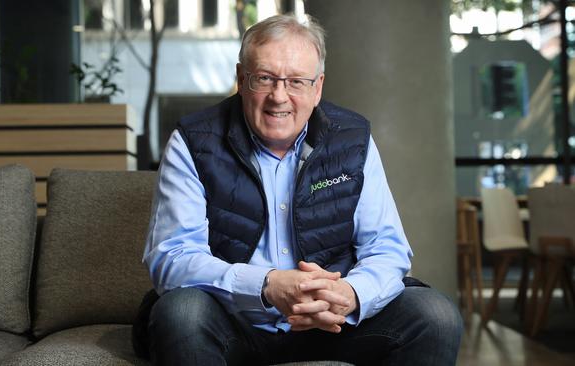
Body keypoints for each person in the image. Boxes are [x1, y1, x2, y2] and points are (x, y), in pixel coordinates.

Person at [133, 13, 463, 366]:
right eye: (264, 78)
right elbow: (172, 257)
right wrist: (265, 285)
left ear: (317, 87)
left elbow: (387, 248)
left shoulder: (352, 139)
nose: (279, 96)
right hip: (235, 323)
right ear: (241, 79)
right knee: (182, 312)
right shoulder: (193, 141)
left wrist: (349, 294)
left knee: (436, 317)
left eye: (296, 81)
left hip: (332, 325)